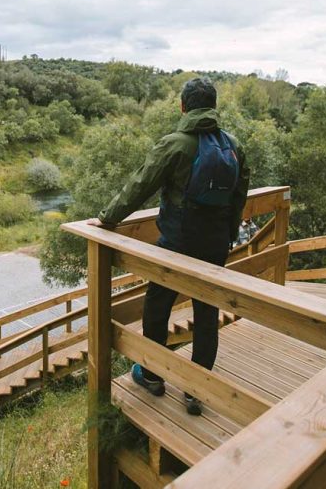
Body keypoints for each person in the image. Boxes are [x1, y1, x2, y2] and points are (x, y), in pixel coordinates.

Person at [87, 77, 249, 416]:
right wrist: (229, 234)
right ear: (213, 106)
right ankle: (196, 391)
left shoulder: (175, 144)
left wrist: (107, 218)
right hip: (215, 245)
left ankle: (151, 375)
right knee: (207, 313)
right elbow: (238, 198)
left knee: (157, 306)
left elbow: (138, 186)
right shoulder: (233, 146)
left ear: (183, 107)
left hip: (175, 245)